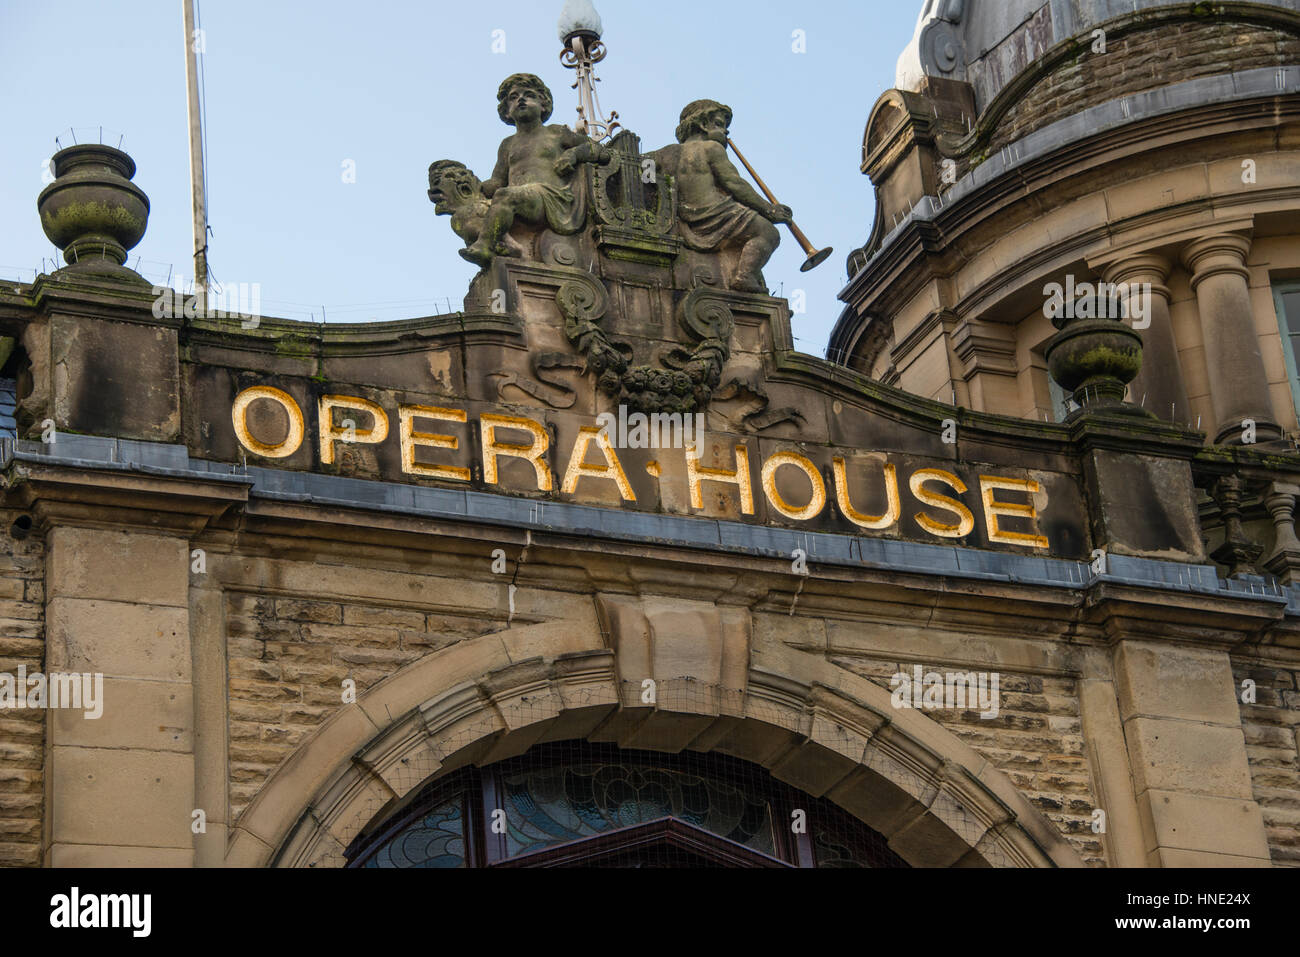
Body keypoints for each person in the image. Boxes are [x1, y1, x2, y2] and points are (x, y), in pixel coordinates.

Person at [460, 74, 611, 268]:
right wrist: (474, 188)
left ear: (543, 105)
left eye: (528, 95)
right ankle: (507, 248)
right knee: (471, 212)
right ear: (507, 112)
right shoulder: (507, 145)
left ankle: (484, 246)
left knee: (506, 196)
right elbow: (497, 182)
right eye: (513, 98)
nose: (520, 99)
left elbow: (601, 152)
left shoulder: (555, 133)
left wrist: (574, 155)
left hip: (552, 198)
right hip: (520, 199)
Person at [649, 100, 791, 293]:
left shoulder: (664, 153)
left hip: (687, 217)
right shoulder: (711, 148)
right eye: (719, 124)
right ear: (703, 125)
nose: (725, 132)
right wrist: (769, 209)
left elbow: (642, 170)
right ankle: (744, 276)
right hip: (718, 212)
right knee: (768, 233)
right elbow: (734, 184)